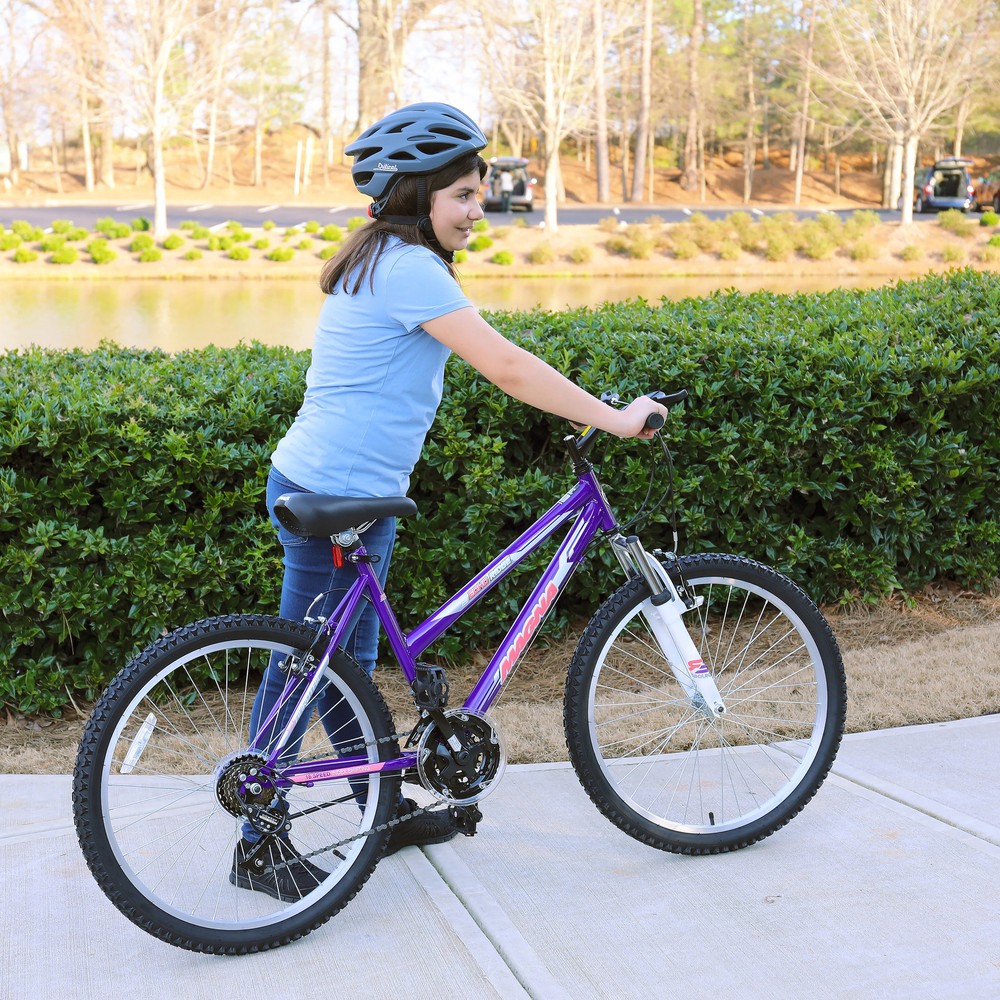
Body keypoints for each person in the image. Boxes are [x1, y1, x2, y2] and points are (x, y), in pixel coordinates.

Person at [234, 103, 667, 902]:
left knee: (346, 668)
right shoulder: (406, 267)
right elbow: (505, 366)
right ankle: (258, 839)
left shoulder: (384, 255)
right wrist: (613, 418)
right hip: (333, 492)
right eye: (463, 195)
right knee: (306, 667)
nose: (478, 210)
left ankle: (379, 809)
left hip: (351, 491)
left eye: (479, 194)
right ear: (415, 195)